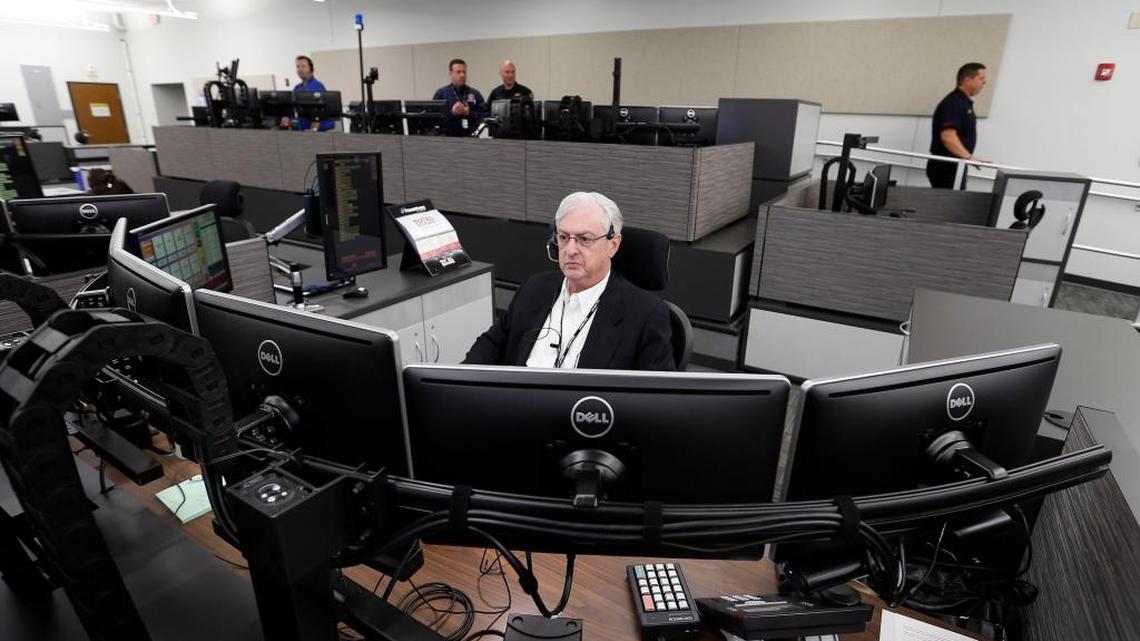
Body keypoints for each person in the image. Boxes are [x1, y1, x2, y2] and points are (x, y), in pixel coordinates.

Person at [464, 191, 675, 370]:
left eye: (585, 239)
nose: (570, 250)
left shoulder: (646, 315)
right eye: (564, 237)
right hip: (516, 402)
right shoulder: (534, 288)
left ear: (613, 245)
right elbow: (491, 345)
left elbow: (657, 396)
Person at [926, 62, 987, 189]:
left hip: (956, 165)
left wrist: (966, 158)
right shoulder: (954, 103)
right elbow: (948, 136)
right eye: (981, 78)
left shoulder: (963, 103)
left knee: (956, 200)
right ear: (968, 80)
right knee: (951, 202)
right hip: (946, 166)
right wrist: (969, 157)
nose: (984, 82)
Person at [432, 58, 486, 137]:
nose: (462, 75)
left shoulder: (475, 94)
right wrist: (452, 113)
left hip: (471, 138)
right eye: (458, 72)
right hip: (447, 138)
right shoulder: (441, 94)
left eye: (464, 72)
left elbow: (484, 116)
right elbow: (433, 120)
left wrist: (468, 113)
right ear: (451, 73)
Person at [283, 55, 335, 132]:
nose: (300, 69)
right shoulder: (297, 88)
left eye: (303, 66)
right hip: (302, 131)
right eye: (298, 67)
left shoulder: (317, 86)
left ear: (311, 69)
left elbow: (319, 113)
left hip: (318, 132)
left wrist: (312, 130)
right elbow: (294, 110)